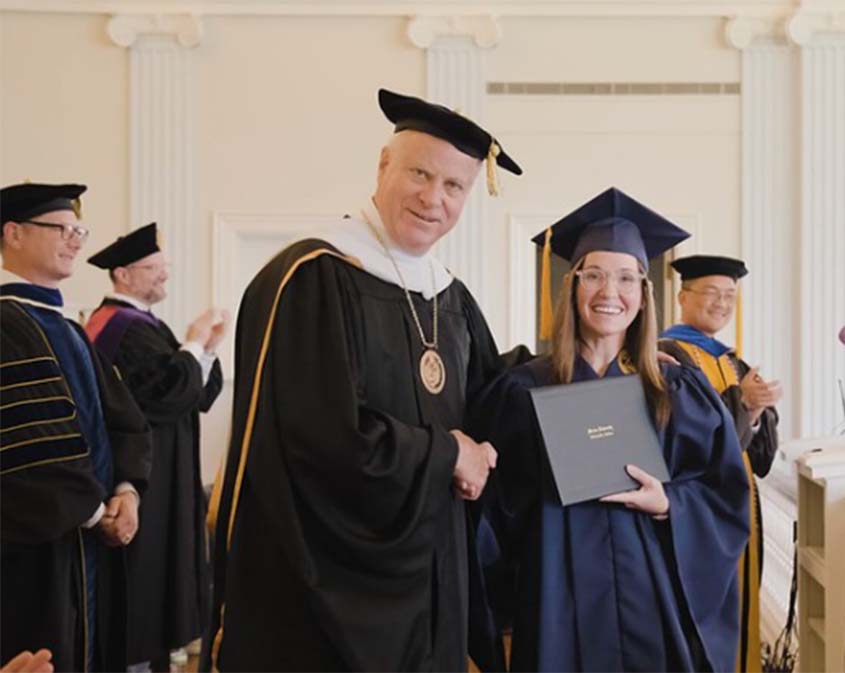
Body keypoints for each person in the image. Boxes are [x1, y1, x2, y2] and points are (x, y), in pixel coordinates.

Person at [202, 89, 526, 672]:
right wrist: (448, 453)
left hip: (431, 582)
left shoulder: (450, 297)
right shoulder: (312, 278)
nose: (433, 198)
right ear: (383, 166)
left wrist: (604, 360)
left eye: (454, 186)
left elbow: (491, 397)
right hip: (328, 594)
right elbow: (322, 440)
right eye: (420, 174)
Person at [470, 187, 750, 672]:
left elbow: (723, 492)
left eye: (625, 278)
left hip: (652, 599)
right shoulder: (523, 390)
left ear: (643, 295)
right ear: (572, 286)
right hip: (555, 600)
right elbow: (491, 509)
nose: (609, 292)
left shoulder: (675, 390)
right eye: (594, 275)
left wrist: (669, 503)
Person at [1, 182, 152, 672]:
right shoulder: (6, 325)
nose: (75, 240)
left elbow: (122, 418)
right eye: (61, 229)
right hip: (35, 553)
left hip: (90, 541)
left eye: (78, 231)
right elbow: (27, 447)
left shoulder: (67, 328)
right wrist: (94, 511)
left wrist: (127, 490)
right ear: (13, 234)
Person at [83, 222, 227, 671]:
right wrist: (193, 343)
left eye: (165, 266)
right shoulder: (119, 329)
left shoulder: (145, 326)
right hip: (144, 479)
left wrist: (205, 349)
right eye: (153, 268)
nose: (165, 275)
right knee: (144, 580)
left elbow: (198, 395)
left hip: (165, 475)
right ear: (123, 274)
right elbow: (167, 394)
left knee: (162, 575)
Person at [659, 255, 783, 673]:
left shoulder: (734, 363)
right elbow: (688, 443)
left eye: (730, 295)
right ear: (682, 297)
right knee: (702, 613)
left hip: (740, 507)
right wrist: (743, 403)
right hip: (697, 510)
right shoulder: (668, 356)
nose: (722, 304)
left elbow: (759, 458)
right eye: (711, 293)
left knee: (741, 607)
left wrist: (757, 411)